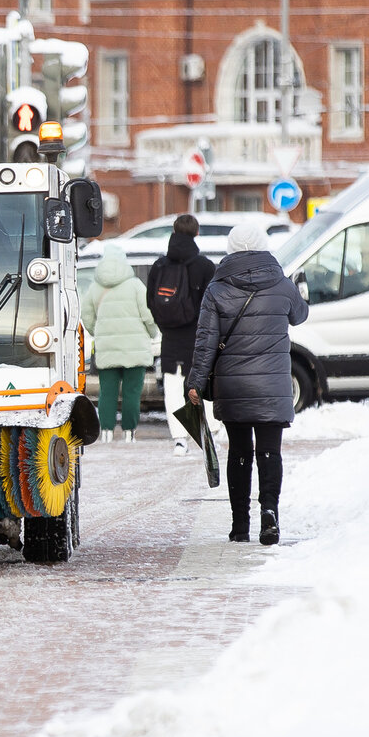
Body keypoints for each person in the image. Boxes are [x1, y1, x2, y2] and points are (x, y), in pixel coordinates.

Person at [187, 222, 308, 545]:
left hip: (233, 387)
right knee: (270, 451)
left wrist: (196, 382)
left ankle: (240, 525)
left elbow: (205, 342)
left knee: (239, 453)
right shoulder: (282, 284)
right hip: (273, 387)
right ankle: (270, 513)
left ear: (230, 248)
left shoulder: (217, 289)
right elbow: (300, 315)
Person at [146, 215, 217, 457]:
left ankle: (179, 439)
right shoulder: (205, 266)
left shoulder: (159, 266)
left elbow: (151, 302)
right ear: (196, 233)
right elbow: (213, 304)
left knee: (173, 387)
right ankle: (211, 432)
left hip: (170, 337)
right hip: (198, 337)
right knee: (202, 383)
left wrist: (166, 325)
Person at [80, 243, 159, 444]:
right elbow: (148, 315)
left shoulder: (94, 288)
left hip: (107, 349)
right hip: (135, 349)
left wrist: (97, 333)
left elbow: (87, 317)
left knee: (107, 392)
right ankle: (129, 433)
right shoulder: (135, 286)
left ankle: (106, 431)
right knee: (132, 393)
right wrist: (152, 333)